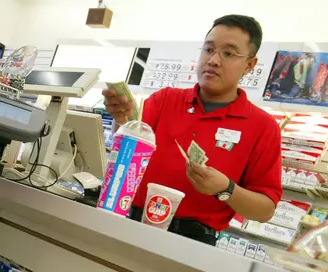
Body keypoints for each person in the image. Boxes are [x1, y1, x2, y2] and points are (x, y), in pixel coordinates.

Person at [103, 15, 283, 245]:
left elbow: (265, 210)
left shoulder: (263, 127)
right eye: (208, 49)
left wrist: (225, 189)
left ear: (249, 65)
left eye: (228, 53)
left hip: (193, 243)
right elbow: (125, 155)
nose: (214, 60)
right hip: (131, 224)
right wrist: (121, 120)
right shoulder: (165, 100)